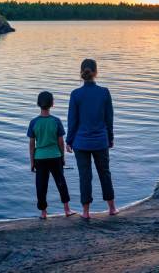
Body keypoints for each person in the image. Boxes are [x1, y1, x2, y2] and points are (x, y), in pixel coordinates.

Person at [66, 59, 118, 219]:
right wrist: (110, 138)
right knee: (105, 173)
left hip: (80, 142)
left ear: (81, 73)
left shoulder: (75, 94)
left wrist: (69, 140)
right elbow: (109, 118)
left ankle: (86, 212)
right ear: (96, 72)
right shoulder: (104, 92)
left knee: (85, 176)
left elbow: (72, 120)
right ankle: (112, 208)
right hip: (100, 140)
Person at [28, 91, 75, 219]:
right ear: (52, 104)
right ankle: (67, 209)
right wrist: (62, 157)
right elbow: (61, 142)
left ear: (38, 104)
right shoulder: (56, 121)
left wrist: (32, 162)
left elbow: (32, 145)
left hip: (40, 158)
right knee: (61, 182)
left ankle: (43, 213)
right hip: (55, 156)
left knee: (41, 185)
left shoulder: (34, 122)